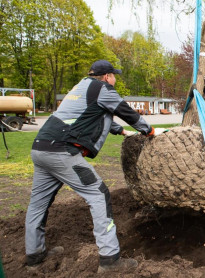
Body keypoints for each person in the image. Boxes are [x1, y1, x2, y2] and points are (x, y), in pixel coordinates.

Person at [25, 60, 161, 273]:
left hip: (40, 148)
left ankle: (34, 254)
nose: (115, 79)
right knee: (98, 194)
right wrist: (150, 131)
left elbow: (90, 116)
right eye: (114, 75)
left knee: (38, 203)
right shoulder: (103, 89)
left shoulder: (81, 88)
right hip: (61, 151)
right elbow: (126, 112)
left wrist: (121, 132)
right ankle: (110, 260)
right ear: (107, 76)